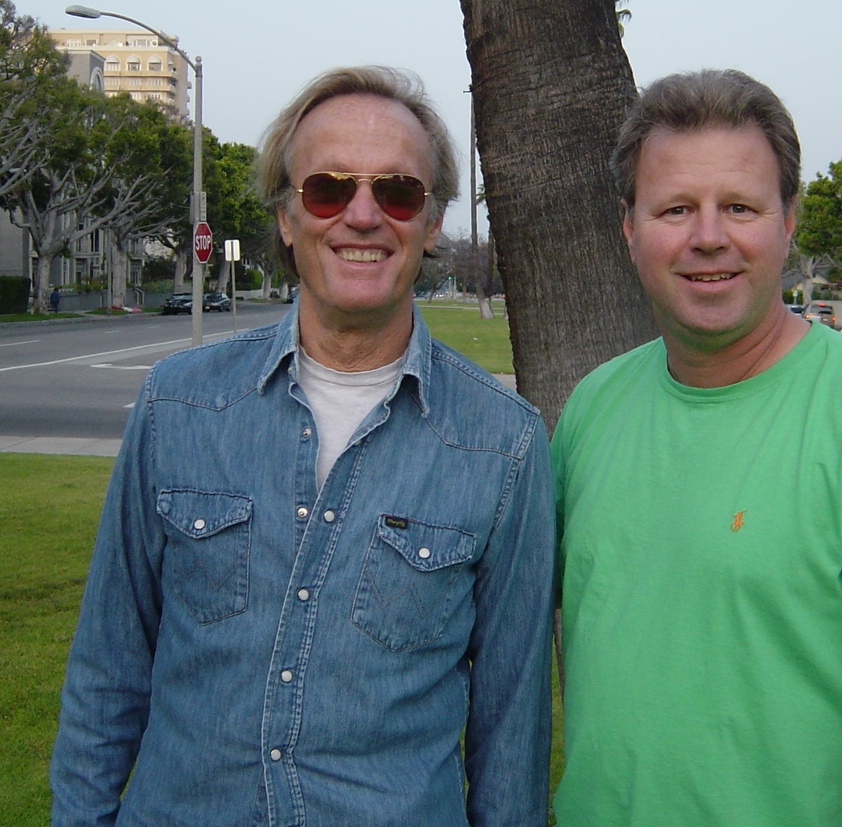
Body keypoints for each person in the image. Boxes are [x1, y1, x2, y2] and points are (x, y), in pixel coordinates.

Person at [50, 66, 555, 827]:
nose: (362, 215)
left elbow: (511, 728)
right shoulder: (175, 403)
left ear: (431, 219)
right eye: (328, 188)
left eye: (397, 191)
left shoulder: (504, 443)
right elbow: (107, 671)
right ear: (287, 217)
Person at [551, 69, 842, 827]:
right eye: (676, 208)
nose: (709, 235)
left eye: (740, 205)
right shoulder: (593, 407)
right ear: (630, 227)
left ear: (788, 220)